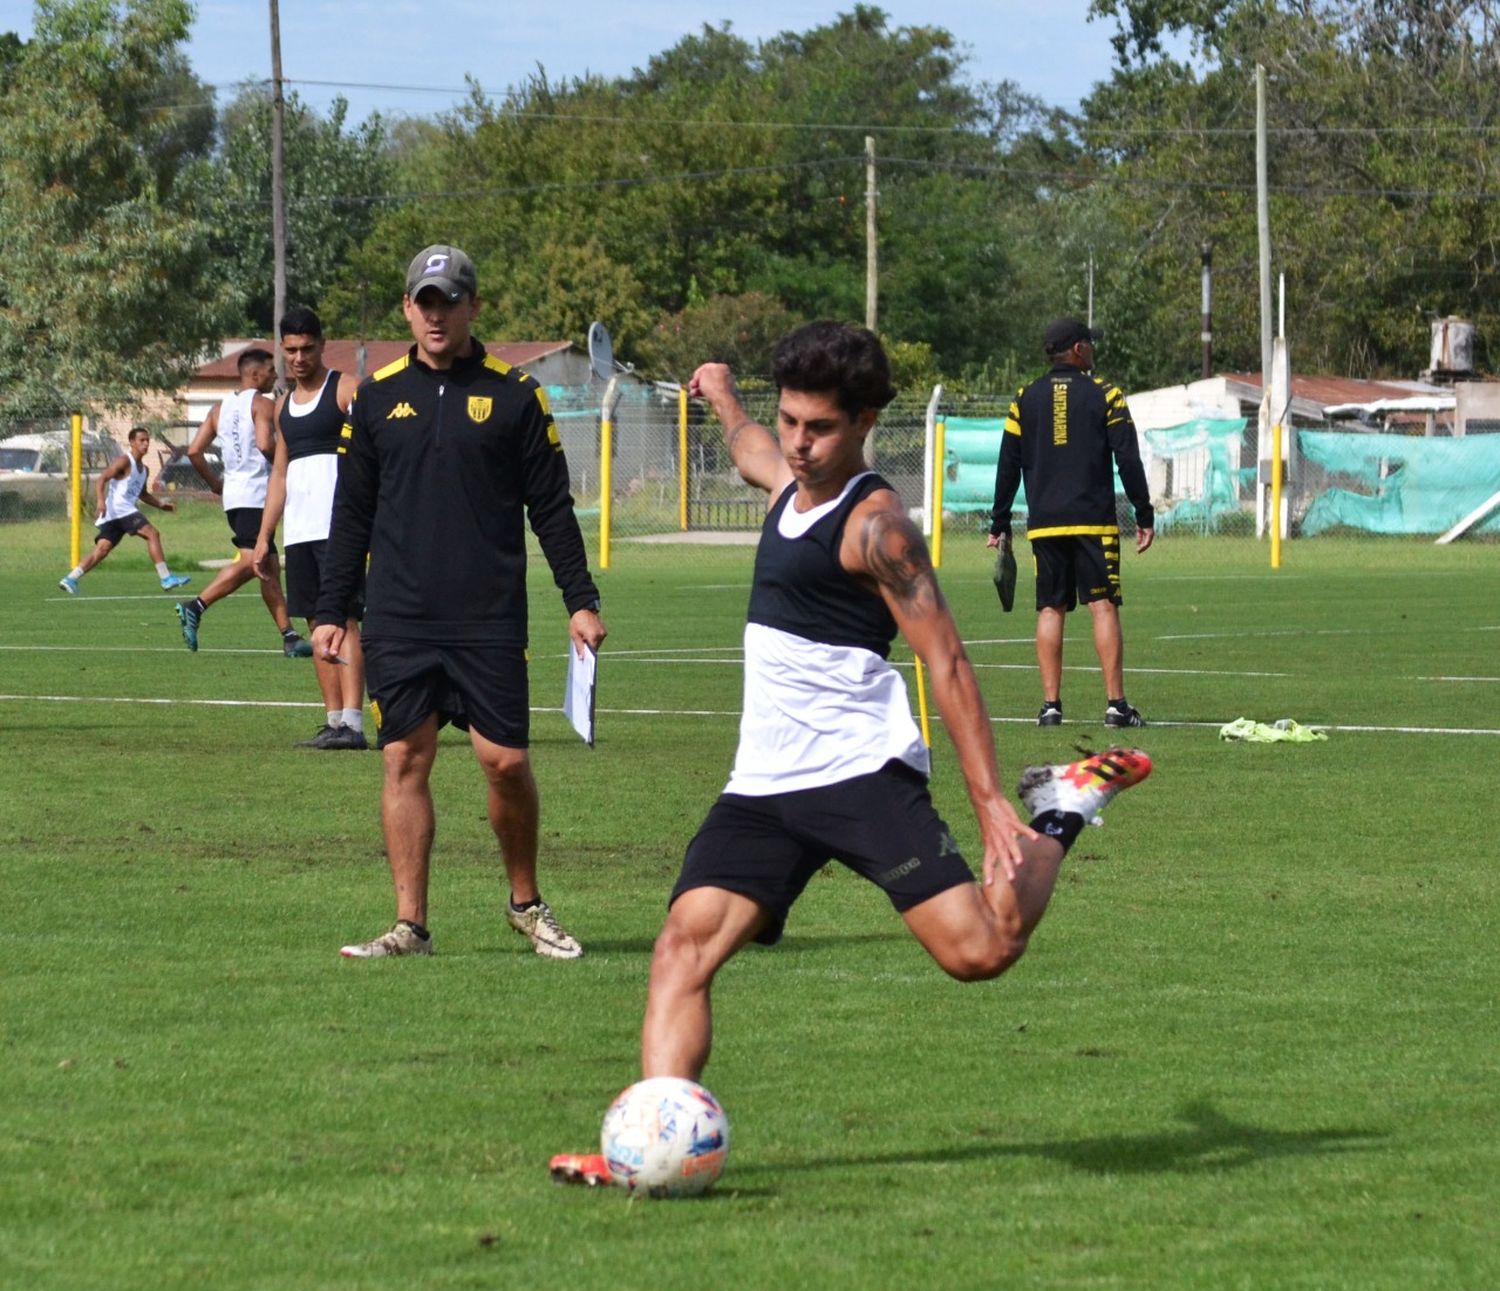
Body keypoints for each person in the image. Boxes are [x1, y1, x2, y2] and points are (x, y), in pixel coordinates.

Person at [549, 321, 1151, 1187]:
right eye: (791, 420)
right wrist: (721, 391)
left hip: (862, 774)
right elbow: (751, 444)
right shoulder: (785, 476)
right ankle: (647, 1146)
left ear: (864, 420)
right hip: (763, 782)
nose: (798, 442)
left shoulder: (879, 528)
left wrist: (990, 803)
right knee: (681, 947)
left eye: (819, 427)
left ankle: (1062, 803)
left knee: (981, 951)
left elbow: (945, 658)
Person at [312, 243, 606, 961]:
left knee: (504, 761)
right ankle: (410, 925)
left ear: (474, 305)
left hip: (488, 616)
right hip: (402, 615)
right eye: (424, 301)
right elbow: (351, 513)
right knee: (403, 760)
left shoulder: (515, 396)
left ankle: (526, 902)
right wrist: (330, 608)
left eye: (449, 300)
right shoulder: (375, 396)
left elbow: (553, 510)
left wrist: (581, 599)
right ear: (408, 309)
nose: (436, 314)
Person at [987, 316, 1156, 728]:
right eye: (1090, 344)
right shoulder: (1107, 395)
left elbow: (1007, 464)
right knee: (1103, 606)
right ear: (1078, 350)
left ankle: (1050, 707)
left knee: (1049, 608)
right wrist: (1143, 511)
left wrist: (1000, 521)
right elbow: (1128, 458)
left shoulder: (1024, 398)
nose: (1093, 349)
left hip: (1044, 523)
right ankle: (1116, 705)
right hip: (1093, 521)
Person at [252, 308, 366, 749]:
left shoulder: (346, 390)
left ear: (322, 345)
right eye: (291, 350)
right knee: (317, 622)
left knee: (347, 621)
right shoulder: (283, 408)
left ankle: (354, 723)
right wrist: (264, 537)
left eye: (307, 348)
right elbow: (279, 475)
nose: (299, 358)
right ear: (283, 351)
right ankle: (334, 721)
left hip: (342, 530)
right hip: (300, 532)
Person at [174, 348, 312, 658]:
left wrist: (215, 484)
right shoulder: (262, 404)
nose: (276, 375)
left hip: (235, 496)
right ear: (254, 374)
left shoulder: (219, 409)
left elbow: (195, 451)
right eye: (270, 371)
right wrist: (288, 462)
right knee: (255, 562)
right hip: (255, 495)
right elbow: (265, 444)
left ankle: (289, 637)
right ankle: (195, 606)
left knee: (269, 567)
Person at [58, 426, 191, 595]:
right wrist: (100, 501)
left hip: (118, 514)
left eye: (147, 440)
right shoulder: (124, 461)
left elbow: (142, 494)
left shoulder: (144, 470)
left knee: (102, 550)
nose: (145, 443)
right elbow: (102, 479)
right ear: (132, 443)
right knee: (152, 534)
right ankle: (166, 578)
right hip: (120, 508)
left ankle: (71, 578)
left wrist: (161, 505)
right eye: (141, 440)